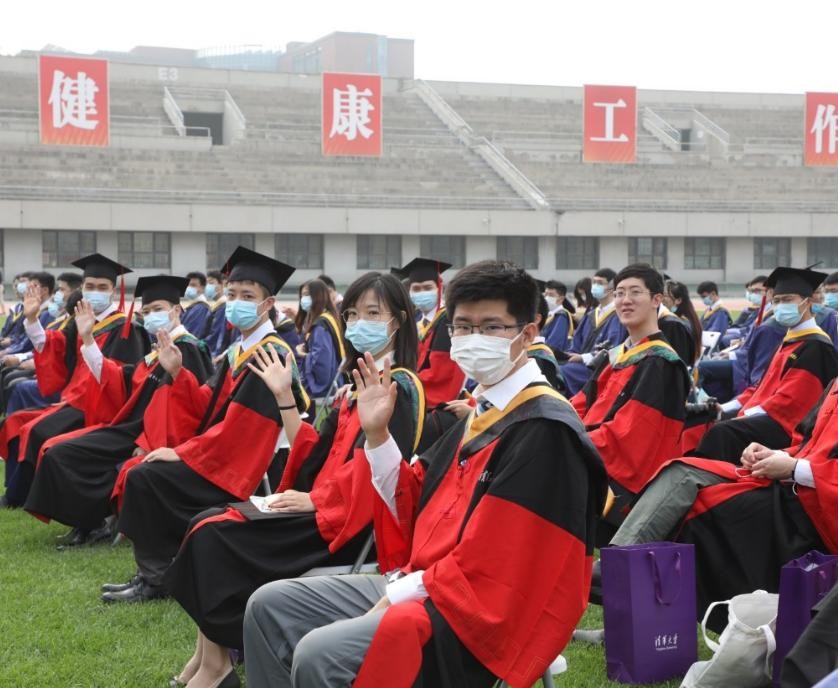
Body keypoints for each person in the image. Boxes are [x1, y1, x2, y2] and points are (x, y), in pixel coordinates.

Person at [243, 259, 607, 688]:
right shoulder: (483, 413)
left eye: (491, 327)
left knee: (320, 653)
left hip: (475, 611)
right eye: (463, 327)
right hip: (428, 580)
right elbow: (416, 499)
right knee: (268, 604)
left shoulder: (544, 430)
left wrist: (397, 596)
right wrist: (377, 435)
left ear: (528, 333)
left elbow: (496, 560)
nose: (473, 338)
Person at [164, 271, 424, 688]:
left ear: (399, 320)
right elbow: (314, 453)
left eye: (373, 314)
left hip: (347, 526)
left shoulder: (401, 388)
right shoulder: (354, 388)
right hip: (324, 509)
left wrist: (318, 501)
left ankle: (216, 667)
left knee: (213, 537)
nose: (359, 323)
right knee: (205, 521)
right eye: (352, 314)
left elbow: (375, 475)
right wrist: (285, 397)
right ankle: (208, 657)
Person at [101, 247, 309, 603]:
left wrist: (182, 453)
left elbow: (241, 432)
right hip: (223, 455)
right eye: (232, 294)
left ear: (268, 303)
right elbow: (208, 406)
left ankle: (157, 578)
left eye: (248, 296)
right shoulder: (241, 350)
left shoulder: (270, 354)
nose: (236, 302)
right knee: (142, 472)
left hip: (248, 466)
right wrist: (178, 372)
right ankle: (157, 572)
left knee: (145, 477)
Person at [605, 374, 838, 632]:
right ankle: (617, 569)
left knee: (698, 511)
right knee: (681, 471)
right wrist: (773, 454)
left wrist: (794, 468)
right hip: (790, 490)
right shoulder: (835, 384)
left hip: (815, 515)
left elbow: (788, 406)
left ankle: (619, 588)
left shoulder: (815, 354)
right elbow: (807, 445)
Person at [23, 276, 214, 547]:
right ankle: (89, 523)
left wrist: (147, 443)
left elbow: (188, 409)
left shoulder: (188, 349)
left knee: (65, 454)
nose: (151, 316)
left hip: (153, 437)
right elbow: (121, 379)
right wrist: (88, 338)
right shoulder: (157, 351)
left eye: (158, 309)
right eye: (146, 311)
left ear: (176, 310)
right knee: (58, 451)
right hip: (130, 429)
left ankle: (94, 524)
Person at [0, 255, 150, 508]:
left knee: (35, 430)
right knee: (15, 422)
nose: (95, 292)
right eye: (90, 286)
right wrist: (32, 319)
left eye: (102, 287)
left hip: (98, 408)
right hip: (72, 399)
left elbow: (120, 381)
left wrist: (88, 337)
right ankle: (18, 491)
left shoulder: (126, 329)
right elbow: (55, 348)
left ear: (113, 291)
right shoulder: (81, 318)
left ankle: (19, 497)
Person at [570, 264, 690, 541]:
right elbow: (580, 404)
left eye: (635, 292)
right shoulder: (617, 356)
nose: (625, 300)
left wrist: (572, 444)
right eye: (619, 293)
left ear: (657, 300)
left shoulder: (661, 362)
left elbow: (630, 435)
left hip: (621, 480)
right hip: (591, 451)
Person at [693, 267, 838, 462]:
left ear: (808, 301)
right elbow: (761, 388)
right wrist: (726, 408)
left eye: (787, 300)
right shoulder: (788, 341)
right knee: (703, 419)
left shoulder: (816, 347)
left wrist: (743, 415)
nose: (780, 306)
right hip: (769, 415)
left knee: (721, 433)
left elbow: (790, 403)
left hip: (790, 428)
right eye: (776, 301)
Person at [392, 258, 465, 407]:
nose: (422, 293)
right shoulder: (416, 319)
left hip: (436, 401)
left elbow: (440, 373)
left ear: (440, 288)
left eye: (427, 287)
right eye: (416, 289)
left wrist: (402, 384)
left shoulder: (448, 319)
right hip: (416, 386)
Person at [562, 268, 627, 395]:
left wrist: (583, 357)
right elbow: (577, 343)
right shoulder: (591, 314)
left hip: (599, 369)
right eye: (594, 282)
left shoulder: (618, 316)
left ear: (611, 287)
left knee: (562, 372)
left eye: (600, 283)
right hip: (579, 365)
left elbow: (613, 348)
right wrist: (568, 355)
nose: (595, 286)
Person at [293, 279, 345, 404]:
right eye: (302, 295)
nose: (303, 299)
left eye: (307, 294)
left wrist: (302, 355)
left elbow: (321, 361)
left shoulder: (321, 326)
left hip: (325, 388)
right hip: (337, 379)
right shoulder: (329, 317)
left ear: (318, 295)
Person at [663, 280, 702, 366]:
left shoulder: (676, 324)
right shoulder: (686, 318)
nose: (662, 299)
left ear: (678, 300)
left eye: (665, 295)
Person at [541, 279, 574, 352]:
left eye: (551, 295)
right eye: (545, 294)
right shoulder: (549, 314)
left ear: (561, 299)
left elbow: (554, 343)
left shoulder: (561, 316)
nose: (546, 298)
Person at [181, 272, 212, 338]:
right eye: (188, 285)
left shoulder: (201, 308)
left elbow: (193, 334)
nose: (189, 288)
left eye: (193, 285)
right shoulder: (192, 306)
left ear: (202, 288)